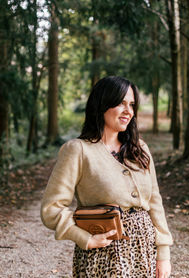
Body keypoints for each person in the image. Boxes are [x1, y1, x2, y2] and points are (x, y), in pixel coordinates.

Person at [41, 76, 173, 278]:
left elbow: (154, 201)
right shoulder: (78, 150)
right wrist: (84, 238)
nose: (128, 111)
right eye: (121, 103)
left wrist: (163, 254)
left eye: (132, 105)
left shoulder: (140, 149)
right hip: (103, 254)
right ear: (102, 104)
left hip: (144, 250)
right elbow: (51, 208)